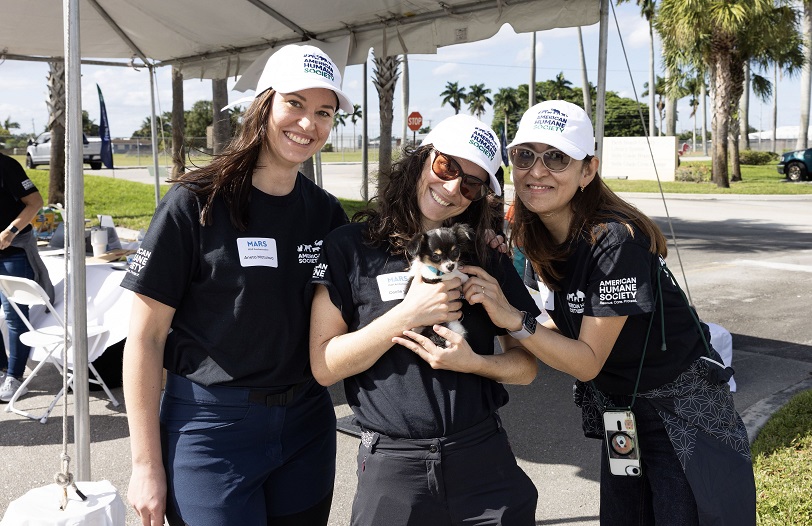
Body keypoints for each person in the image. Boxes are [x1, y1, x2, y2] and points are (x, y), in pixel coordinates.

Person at [469, 100, 756, 525]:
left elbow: (585, 361)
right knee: (626, 516)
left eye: (557, 157)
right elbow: (556, 324)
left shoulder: (615, 241)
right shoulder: (537, 232)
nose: (537, 170)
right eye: (524, 155)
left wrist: (514, 319)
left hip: (679, 414)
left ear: (588, 170)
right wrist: (497, 272)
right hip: (622, 414)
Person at [121, 43, 353, 526]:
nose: (308, 123)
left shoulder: (326, 212)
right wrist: (145, 464)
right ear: (263, 104)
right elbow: (144, 337)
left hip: (306, 425)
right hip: (210, 429)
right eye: (295, 103)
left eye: (324, 112)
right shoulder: (194, 202)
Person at [310, 114, 540, 525]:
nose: (453, 187)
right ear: (420, 160)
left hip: (483, 462)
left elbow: (525, 367)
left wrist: (475, 363)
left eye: (470, 183)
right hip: (393, 470)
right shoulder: (349, 248)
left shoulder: (485, 256)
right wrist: (408, 313)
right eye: (446, 166)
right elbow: (325, 366)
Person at [0, 152, 51, 403]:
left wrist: (9, 232)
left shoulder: (7, 166)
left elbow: (35, 202)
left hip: (14, 250)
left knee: (14, 315)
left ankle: (15, 377)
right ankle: (1, 371)